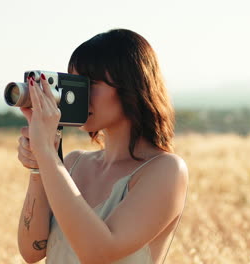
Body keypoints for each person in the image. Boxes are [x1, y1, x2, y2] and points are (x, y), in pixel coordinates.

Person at [16, 29, 188, 264]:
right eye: (76, 83)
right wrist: (38, 166)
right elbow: (31, 251)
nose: (80, 95)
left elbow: (98, 253)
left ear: (131, 86)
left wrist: (47, 154)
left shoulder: (165, 170)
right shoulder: (73, 163)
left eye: (92, 83)